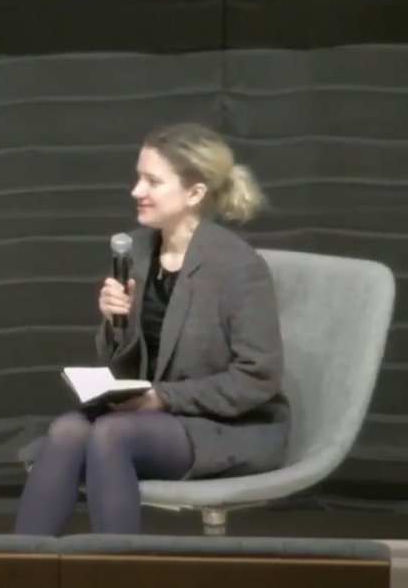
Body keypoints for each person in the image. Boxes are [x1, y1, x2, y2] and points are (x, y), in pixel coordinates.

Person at [14, 122, 290, 535]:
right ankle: (21, 572)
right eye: (138, 177)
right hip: (149, 416)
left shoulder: (238, 267)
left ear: (194, 193)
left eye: (152, 181)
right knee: (67, 430)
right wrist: (114, 324)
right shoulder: (136, 251)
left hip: (227, 426)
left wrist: (162, 398)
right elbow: (123, 367)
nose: (136, 191)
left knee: (111, 435)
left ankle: (116, 573)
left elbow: (258, 378)